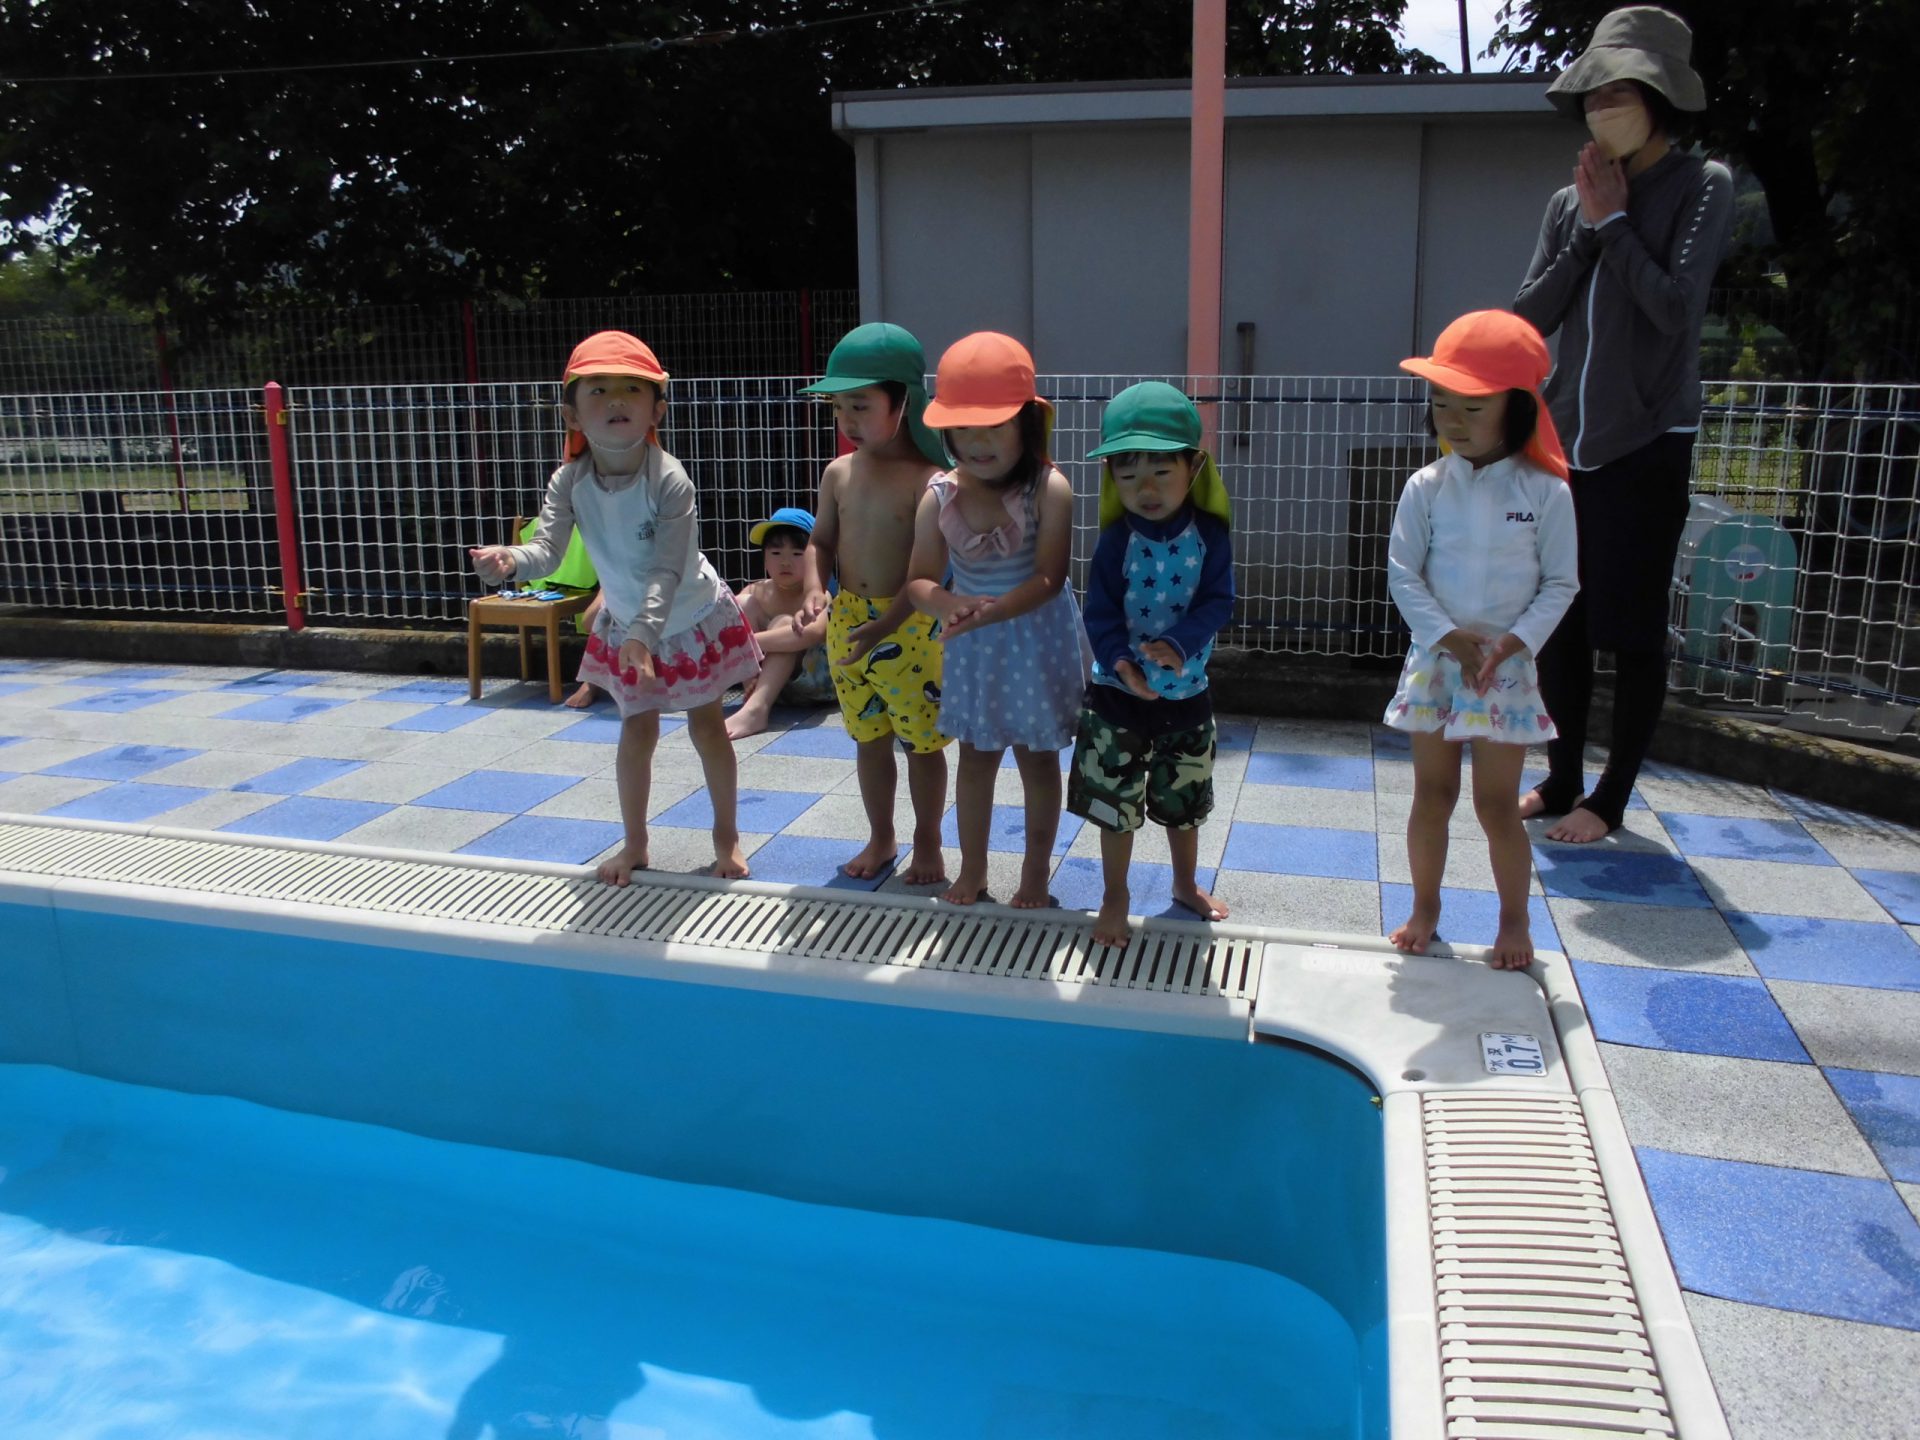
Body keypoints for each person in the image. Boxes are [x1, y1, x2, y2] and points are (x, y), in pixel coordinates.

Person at [1513, 5, 1733, 842]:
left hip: (1648, 440)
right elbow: (1529, 316)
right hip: (1564, 441)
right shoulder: (1566, 201)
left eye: (1621, 91)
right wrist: (1586, 227)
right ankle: (1563, 776)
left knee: (1631, 626)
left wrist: (1615, 223)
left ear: (1660, 98)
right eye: (1594, 93)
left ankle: (1609, 798)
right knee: (1562, 619)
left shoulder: (1702, 186)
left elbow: (1674, 309)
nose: (1603, 106)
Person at [469, 331, 760, 883]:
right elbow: (548, 549)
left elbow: (667, 569)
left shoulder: (668, 479)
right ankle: (635, 844)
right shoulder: (570, 480)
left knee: (707, 727)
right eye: (598, 389)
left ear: (658, 409)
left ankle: (727, 838)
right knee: (636, 730)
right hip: (629, 622)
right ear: (572, 415)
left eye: (632, 388)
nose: (616, 400)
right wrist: (511, 560)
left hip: (690, 617)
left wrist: (642, 635)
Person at [1386, 311, 1580, 970]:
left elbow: (1562, 582)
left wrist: (1516, 642)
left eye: (1472, 406)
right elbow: (1403, 572)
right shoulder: (1426, 487)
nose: (1453, 419)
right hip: (1438, 662)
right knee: (1430, 797)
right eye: (1441, 402)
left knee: (1497, 806)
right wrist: (1443, 634)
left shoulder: (1544, 492)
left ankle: (1513, 920)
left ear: (1517, 408)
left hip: (1506, 668)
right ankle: (1424, 909)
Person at [906, 332, 1090, 908]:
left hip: (1035, 639)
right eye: (962, 428)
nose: (977, 442)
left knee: (1038, 759)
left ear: (1027, 424)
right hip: (974, 644)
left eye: (994, 426)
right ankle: (973, 871)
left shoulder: (1049, 489)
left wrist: (987, 612)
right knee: (975, 757)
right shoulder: (939, 496)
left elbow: (1049, 578)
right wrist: (945, 604)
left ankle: (1035, 875)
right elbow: (918, 581)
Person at [1066, 383, 1235, 948]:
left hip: (1186, 694)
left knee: (1184, 803)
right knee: (1114, 805)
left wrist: (1181, 644)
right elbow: (1099, 611)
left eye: (1162, 471)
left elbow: (1218, 601)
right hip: (1117, 696)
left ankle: (1185, 884)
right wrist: (1120, 661)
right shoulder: (1117, 540)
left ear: (1194, 467)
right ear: (1110, 477)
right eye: (1128, 473)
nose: (1146, 487)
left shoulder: (1209, 535)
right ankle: (1115, 895)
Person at [795, 323, 953, 883]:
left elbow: (925, 573)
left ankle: (928, 843)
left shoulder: (930, 481)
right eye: (839, 408)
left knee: (922, 744)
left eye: (860, 405)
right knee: (869, 739)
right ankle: (881, 836)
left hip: (909, 628)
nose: (847, 420)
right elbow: (820, 541)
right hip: (849, 622)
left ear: (903, 402)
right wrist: (815, 587)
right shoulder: (839, 473)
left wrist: (886, 623)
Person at [725, 507, 832, 740]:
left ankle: (756, 710)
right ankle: (751, 691)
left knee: (784, 622)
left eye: (797, 553)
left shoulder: (818, 594)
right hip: (771, 685)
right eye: (775, 553)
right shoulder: (756, 590)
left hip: (813, 686)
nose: (785, 562)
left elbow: (813, 633)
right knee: (741, 604)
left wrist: (746, 643)